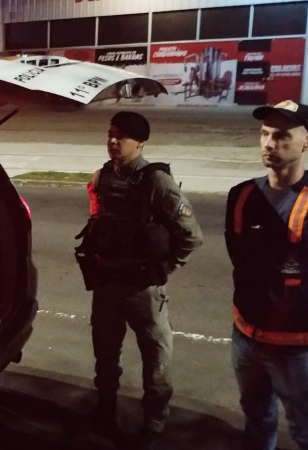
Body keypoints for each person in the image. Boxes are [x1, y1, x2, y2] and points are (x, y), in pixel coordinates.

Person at [76, 111, 203, 450]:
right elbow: (97, 221)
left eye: (123, 136)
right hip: (107, 284)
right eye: (111, 134)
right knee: (105, 353)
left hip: (142, 289)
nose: (114, 141)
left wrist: (164, 269)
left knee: (155, 358)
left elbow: (191, 235)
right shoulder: (102, 177)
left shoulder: (156, 181)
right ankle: (105, 410)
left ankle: (154, 423)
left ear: (141, 142)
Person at [225, 100, 308, 450]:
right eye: (264, 134)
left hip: (298, 348)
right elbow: (240, 260)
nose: (269, 143)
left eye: (281, 136)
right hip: (246, 336)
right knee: (256, 414)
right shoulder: (242, 196)